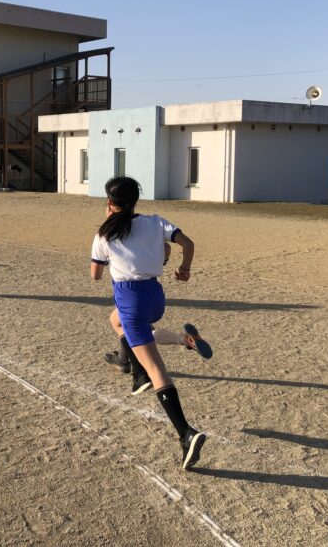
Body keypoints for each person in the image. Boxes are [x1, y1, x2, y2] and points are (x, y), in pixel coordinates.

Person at [91, 176, 206, 470]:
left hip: (131, 299)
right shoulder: (156, 222)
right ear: (135, 201)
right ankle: (133, 368)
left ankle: (185, 433)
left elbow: (95, 275)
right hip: (156, 297)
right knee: (114, 320)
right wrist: (183, 268)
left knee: (158, 370)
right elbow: (187, 244)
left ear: (109, 203)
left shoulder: (104, 234)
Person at [103, 242, 214, 393]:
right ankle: (124, 360)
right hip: (150, 294)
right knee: (130, 326)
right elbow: (167, 248)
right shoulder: (143, 231)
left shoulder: (116, 237)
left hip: (129, 292)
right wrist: (162, 261)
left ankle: (127, 364)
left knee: (131, 327)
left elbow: (95, 272)